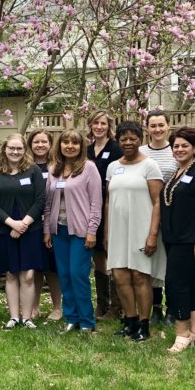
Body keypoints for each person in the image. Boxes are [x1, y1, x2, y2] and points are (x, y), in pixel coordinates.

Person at [105, 121, 166, 342]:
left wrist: (152, 234)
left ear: (141, 139)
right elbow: (108, 201)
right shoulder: (113, 167)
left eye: (133, 138)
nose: (128, 142)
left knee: (140, 276)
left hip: (142, 228)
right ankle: (129, 322)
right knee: (120, 276)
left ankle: (144, 324)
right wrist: (106, 233)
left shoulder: (150, 166)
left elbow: (158, 202)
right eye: (124, 138)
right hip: (118, 229)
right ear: (118, 140)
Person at [159, 127, 195, 353]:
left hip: (190, 240)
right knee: (189, 282)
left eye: (184, 146)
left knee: (175, 283)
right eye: (176, 146)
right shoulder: (177, 172)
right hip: (173, 237)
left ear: (194, 148)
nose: (179, 150)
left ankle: (182, 333)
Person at [43, 129, 102, 334]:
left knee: (78, 274)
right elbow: (48, 203)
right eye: (66, 142)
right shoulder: (53, 170)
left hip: (81, 231)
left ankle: (87, 321)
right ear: (59, 145)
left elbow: (96, 204)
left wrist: (92, 231)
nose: (70, 146)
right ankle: (71, 318)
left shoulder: (89, 168)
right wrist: (47, 230)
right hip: (58, 230)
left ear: (81, 147)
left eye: (74, 143)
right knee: (65, 275)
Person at [0, 133, 47, 330]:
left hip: (31, 229)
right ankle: (14, 317)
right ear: (5, 149)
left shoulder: (33, 170)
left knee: (28, 275)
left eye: (19, 148)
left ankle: (27, 317)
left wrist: (24, 224)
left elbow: (41, 200)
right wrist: (12, 223)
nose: (15, 152)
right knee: (11, 274)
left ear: (24, 150)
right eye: (11, 148)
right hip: (4, 229)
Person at [140, 109, 177, 327]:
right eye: (153, 125)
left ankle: (173, 308)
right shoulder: (140, 152)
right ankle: (156, 308)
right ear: (147, 128)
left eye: (161, 125)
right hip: (146, 212)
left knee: (171, 262)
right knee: (151, 261)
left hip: (172, 214)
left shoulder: (177, 150)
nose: (157, 129)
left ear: (168, 126)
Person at [86, 110, 122, 320]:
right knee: (98, 255)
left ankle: (116, 306)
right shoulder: (87, 149)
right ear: (90, 125)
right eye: (95, 123)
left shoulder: (115, 149)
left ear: (109, 126)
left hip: (110, 205)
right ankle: (102, 304)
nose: (99, 127)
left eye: (103, 123)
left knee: (112, 254)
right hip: (91, 207)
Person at [28, 129, 62, 321]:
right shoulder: (26, 166)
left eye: (44, 142)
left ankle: (57, 307)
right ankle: (34, 306)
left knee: (52, 268)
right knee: (35, 267)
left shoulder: (57, 166)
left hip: (53, 223)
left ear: (50, 144)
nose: (40, 145)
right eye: (36, 142)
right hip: (31, 224)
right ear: (30, 145)